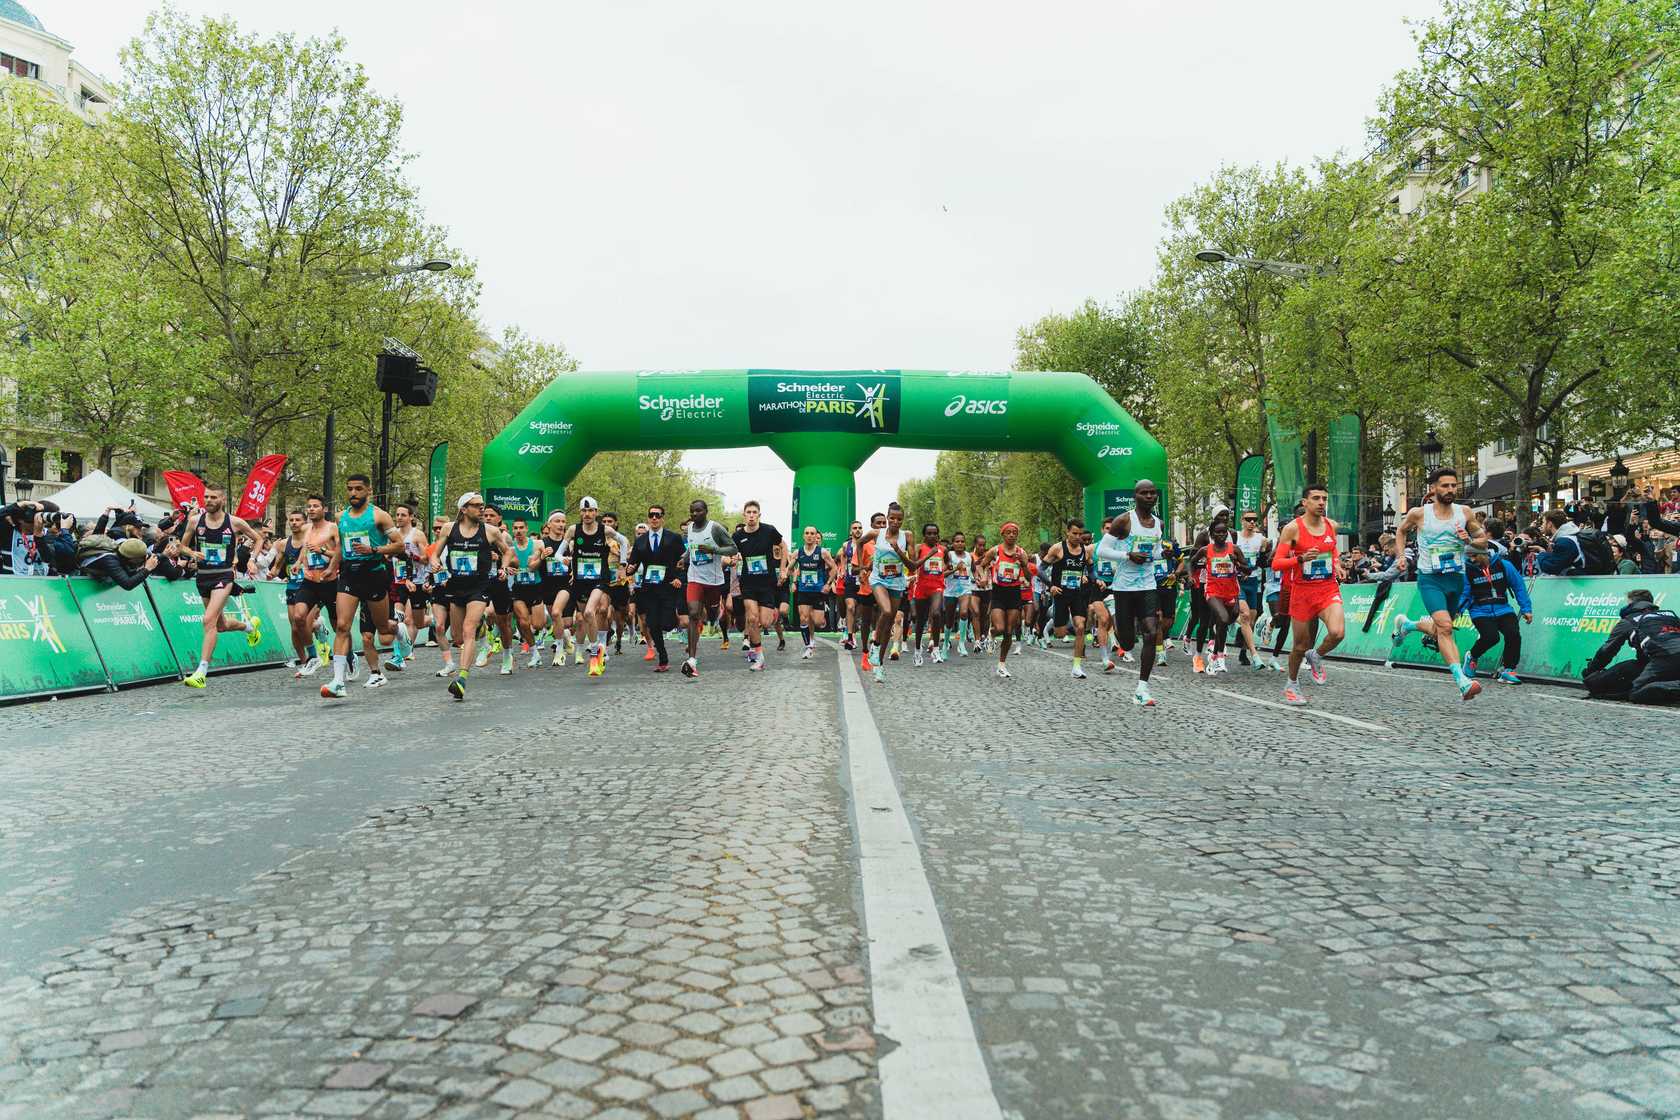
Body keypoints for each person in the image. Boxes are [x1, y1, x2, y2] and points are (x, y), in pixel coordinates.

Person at [1388, 467, 1484, 702]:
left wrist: (1470, 540)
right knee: (1445, 627)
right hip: (1430, 578)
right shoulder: (1419, 514)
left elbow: (1483, 541)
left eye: (1453, 485)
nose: (1451, 490)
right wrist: (1401, 556)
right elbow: (1400, 532)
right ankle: (1461, 681)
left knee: (1442, 629)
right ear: (1433, 489)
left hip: (1456, 577)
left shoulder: (1464, 513)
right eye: (1445, 485)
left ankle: (1407, 625)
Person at [319, 474, 412, 698]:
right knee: (342, 626)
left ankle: (399, 629)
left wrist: (375, 551)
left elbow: (399, 545)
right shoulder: (341, 517)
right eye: (350, 489)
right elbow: (341, 546)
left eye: (358, 489)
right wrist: (333, 566)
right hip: (349, 575)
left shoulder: (379, 516)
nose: (353, 493)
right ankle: (338, 682)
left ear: (368, 491)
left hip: (374, 575)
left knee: (382, 628)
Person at [179, 484, 265, 689]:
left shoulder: (234, 523)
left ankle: (201, 671)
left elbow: (259, 538)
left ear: (222, 500)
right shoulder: (194, 521)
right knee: (220, 625)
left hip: (224, 576)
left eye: (213, 497)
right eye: (206, 497)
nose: (208, 500)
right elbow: (181, 545)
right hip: (203, 576)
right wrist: (192, 554)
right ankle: (250, 627)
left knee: (208, 620)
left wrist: (252, 559)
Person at [429, 492, 509, 700]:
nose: (481, 509)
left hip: (479, 586)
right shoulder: (449, 529)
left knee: (468, 629)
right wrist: (434, 562)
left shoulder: (490, 531)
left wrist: (504, 567)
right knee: (457, 637)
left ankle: (462, 678)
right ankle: (483, 627)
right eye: (476, 506)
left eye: (482, 505)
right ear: (464, 509)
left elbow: (507, 552)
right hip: (456, 586)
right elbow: (435, 553)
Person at [1272, 484, 1346, 705]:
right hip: (1302, 593)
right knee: (1300, 646)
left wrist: (1337, 564)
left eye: (1324, 498)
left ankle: (1317, 655)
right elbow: (1276, 563)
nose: (1321, 502)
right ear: (1305, 503)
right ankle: (1292, 683)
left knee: (1338, 632)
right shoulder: (1293, 529)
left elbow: (1332, 549)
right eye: (1316, 498)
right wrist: (1301, 559)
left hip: (1327, 588)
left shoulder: (1331, 526)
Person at [1458, 528, 1533, 685]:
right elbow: (1464, 593)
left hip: (1502, 608)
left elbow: (1519, 586)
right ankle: (1472, 656)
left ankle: (1508, 670)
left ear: (1484, 554)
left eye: (1473, 556)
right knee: (1491, 637)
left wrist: (1526, 609)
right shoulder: (1468, 571)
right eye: (1468, 556)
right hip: (1479, 610)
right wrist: (1457, 611)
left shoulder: (1504, 565)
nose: (1471, 560)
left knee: (1513, 634)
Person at [1581, 589, 1680, 704]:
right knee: (1635, 667)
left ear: (1631, 604)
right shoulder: (1671, 617)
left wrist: (1591, 670)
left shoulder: (1628, 621)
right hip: (1662, 658)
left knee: (1636, 693)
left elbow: (1607, 651)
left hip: (1665, 657)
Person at [861, 502, 921, 683]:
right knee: (886, 611)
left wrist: (897, 550)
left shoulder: (907, 536)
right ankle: (874, 645)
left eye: (899, 519)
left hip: (896, 583)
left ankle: (879, 664)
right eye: (892, 518)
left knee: (888, 625)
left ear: (903, 520)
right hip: (878, 580)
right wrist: (863, 568)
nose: (895, 522)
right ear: (887, 518)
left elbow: (912, 566)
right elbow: (860, 543)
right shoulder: (876, 534)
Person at [680, 499, 739, 678]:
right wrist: (684, 558)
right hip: (694, 577)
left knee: (711, 615)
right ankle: (692, 659)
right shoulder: (689, 528)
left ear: (706, 511)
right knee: (693, 613)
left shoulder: (715, 528)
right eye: (692, 511)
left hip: (713, 580)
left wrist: (713, 550)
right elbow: (692, 549)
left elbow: (733, 549)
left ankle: (717, 613)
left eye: (698, 511)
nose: (694, 514)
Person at [561, 497, 617, 677]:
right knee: (586, 617)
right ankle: (596, 648)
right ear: (580, 513)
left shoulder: (604, 530)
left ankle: (594, 655)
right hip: (580, 580)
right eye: (584, 511)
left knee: (588, 613)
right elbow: (558, 553)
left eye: (591, 511)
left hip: (600, 579)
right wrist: (563, 562)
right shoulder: (573, 530)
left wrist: (623, 563)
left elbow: (623, 541)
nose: (587, 514)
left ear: (596, 512)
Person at [731, 500, 784, 672]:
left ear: (759, 515)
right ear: (744, 515)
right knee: (752, 619)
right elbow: (731, 553)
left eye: (755, 512)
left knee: (765, 622)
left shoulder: (769, 530)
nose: (752, 515)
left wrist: (783, 569)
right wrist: (730, 559)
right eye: (749, 512)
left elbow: (783, 546)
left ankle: (774, 616)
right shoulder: (738, 536)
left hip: (767, 583)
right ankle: (759, 657)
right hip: (748, 582)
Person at [1043, 518, 1093, 679]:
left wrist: (1092, 578)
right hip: (1060, 594)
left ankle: (1076, 667)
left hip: (1077, 594)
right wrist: (1050, 585)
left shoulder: (1085, 551)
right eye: (1074, 533)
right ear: (1068, 533)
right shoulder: (1057, 549)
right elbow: (1039, 569)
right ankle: (1048, 630)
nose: (1077, 537)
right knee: (1060, 632)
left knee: (1080, 627)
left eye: (1080, 534)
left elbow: (1091, 570)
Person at [979, 522, 1030, 678]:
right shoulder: (995, 551)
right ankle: (992, 633)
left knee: (1009, 631)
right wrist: (984, 577)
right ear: (1003, 534)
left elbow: (1029, 577)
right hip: (998, 593)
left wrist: (1023, 563)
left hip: (1014, 593)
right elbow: (982, 565)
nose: (1012, 535)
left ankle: (1001, 665)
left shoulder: (1022, 552)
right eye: (1008, 532)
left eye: (1014, 532)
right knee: (1000, 627)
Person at [787, 524, 839, 660]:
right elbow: (790, 568)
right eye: (807, 533)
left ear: (816, 537)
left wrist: (828, 584)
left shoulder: (822, 552)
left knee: (817, 621)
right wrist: (794, 581)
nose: (809, 536)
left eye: (812, 533)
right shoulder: (798, 552)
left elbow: (834, 568)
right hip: (803, 590)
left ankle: (816, 628)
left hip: (818, 591)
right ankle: (809, 646)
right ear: (803, 536)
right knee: (803, 618)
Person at [908, 522, 947, 665]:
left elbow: (946, 563)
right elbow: (913, 565)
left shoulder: (943, 550)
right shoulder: (919, 548)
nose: (932, 536)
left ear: (938, 535)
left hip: (937, 587)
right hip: (921, 588)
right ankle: (917, 650)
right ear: (924, 535)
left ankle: (936, 649)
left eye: (934, 533)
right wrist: (928, 555)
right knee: (920, 620)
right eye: (929, 533)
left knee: (936, 613)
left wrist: (943, 569)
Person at [941, 531, 973, 657]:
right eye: (957, 541)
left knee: (964, 612)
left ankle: (961, 643)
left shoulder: (969, 557)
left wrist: (979, 577)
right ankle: (945, 644)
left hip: (965, 589)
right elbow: (942, 574)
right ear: (953, 544)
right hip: (950, 590)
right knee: (949, 620)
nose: (960, 543)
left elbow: (973, 571)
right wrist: (955, 569)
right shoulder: (948, 555)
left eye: (962, 541)